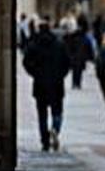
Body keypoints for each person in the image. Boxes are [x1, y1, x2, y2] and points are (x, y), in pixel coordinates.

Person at [23, 21, 71, 152]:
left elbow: (26, 62)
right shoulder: (59, 45)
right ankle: (55, 129)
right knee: (57, 112)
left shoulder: (34, 45)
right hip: (56, 84)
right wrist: (60, 74)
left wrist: (35, 73)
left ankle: (45, 141)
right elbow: (67, 62)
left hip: (40, 85)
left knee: (42, 115)